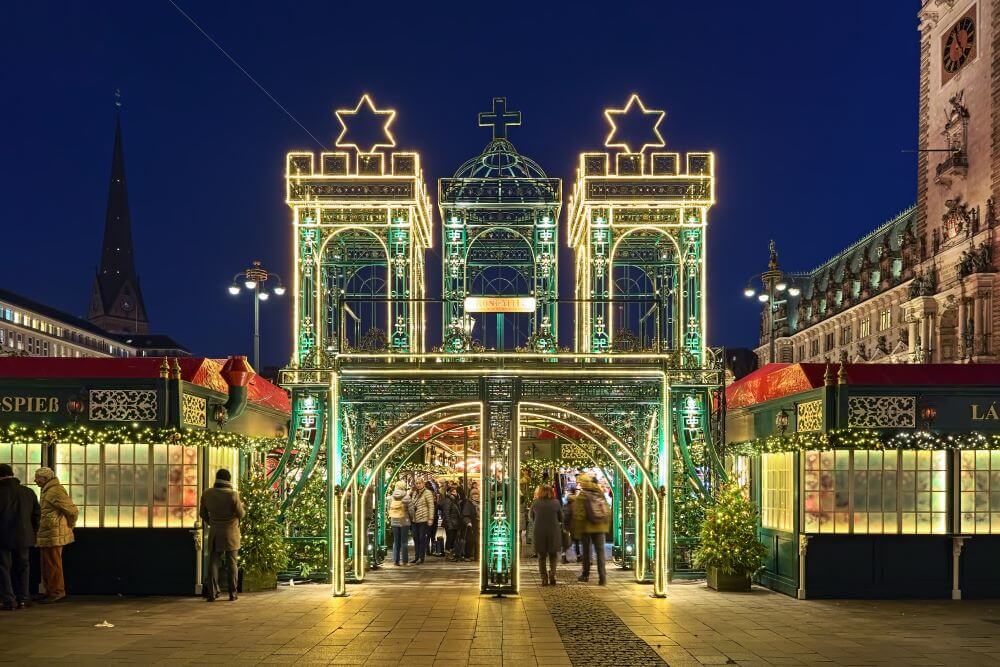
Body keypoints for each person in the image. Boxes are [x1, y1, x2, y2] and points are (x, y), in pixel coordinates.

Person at [199, 469, 245, 602]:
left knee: (213, 562)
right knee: (232, 563)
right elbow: (241, 514)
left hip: (215, 532)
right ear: (228, 479)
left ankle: (212, 593)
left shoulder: (207, 494)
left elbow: (202, 513)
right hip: (231, 532)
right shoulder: (233, 495)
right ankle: (232, 593)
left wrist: (211, 522)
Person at [34, 467, 77, 604]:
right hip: (50, 532)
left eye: (37, 477)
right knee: (48, 564)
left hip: (53, 533)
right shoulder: (49, 490)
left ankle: (57, 592)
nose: (35, 480)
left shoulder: (55, 490)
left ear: (45, 478)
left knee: (52, 564)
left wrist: (69, 525)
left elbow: (72, 510)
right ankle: (50, 590)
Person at [571, 474, 610, 585]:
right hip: (600, 526)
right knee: (600, 552)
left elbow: (579, 514)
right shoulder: (599, 492)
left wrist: (576, 528)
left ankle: (585, 574)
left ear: (583, 483)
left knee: (587, 552)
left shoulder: (582, 494)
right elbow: (606, 509)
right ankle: (602, 578)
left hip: (586, 528)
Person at [531, 485, 563, 586]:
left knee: (542, 557)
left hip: (539, 532)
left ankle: (544, 578)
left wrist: (537, 522)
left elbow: (530, 517)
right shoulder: (556, 503)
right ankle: (552, 575)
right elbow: (561, 517)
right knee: (553, 556)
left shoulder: (535, 503)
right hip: (553, 532)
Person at [407, 479, 435, 564]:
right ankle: (416, 556)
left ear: (423, 483)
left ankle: (421, 557)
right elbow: (412, 504)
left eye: (420, 483)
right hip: (415, 519)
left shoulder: (428, 493)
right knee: (415, 537)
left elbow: (431, 506)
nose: (418, 485)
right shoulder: (415, 493)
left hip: (423, 518)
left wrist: (431, 518)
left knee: (422, 538)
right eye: (417, 483)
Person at [387, 481, 410, 566]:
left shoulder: (391, 498)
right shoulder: (407, 497)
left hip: (394, 521)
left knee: (396, 541)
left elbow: (389, 509)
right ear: (404, 487)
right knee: (404, 542)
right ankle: (405, 561)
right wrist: (413, 518)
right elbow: (410, 510)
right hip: (404, 521)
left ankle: (396, 561)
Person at [438, 487, 462, 556]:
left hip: (454, 523)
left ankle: (451, 553)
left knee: (452, 539)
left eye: (455, 492)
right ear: (449, 493)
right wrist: (449, 525)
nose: (455, 493)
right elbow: (446, 514)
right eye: (453, 492)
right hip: (450, 523)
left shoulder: (454, 500)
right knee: (450, 539)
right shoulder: (448, 501)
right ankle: (448, 554)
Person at [462, 488, 480, 560]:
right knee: (471, 541)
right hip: (472, 525)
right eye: (474, 494)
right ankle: (468, 555)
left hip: (479, 524)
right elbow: (465, 515)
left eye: (477, 494)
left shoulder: (480, 503)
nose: (475, 496)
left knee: (478, 541)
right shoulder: (468, 503)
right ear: (471, 496)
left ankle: (477, 556)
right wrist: (468, 522)